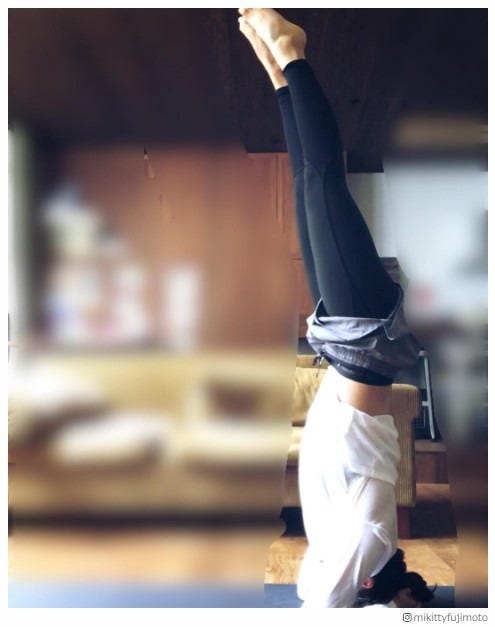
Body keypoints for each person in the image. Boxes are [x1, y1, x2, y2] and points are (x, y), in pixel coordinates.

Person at [238, 8, 425, 607]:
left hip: (343, 343)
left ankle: (278, 75)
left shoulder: (343, 541)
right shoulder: (372, 537)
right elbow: (319, 602)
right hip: (368, 338)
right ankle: (292, 53)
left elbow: (315, 586)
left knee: (305, 184)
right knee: (323, 182)